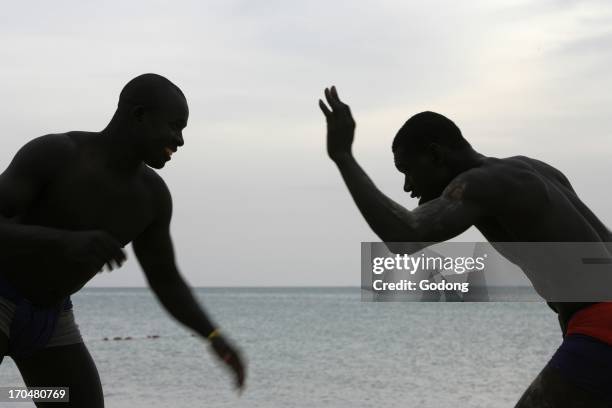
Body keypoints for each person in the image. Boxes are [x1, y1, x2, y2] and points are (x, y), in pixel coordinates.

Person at [319, 86, 612, 407]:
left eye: (408, 172)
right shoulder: (535, 170)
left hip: (601, 324)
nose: (407, 186)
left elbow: (404, 235)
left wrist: (343, 157)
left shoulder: (481, 184)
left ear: (435, 155)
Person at [0, 73, 246, 407]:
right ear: (139, 115)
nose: (181, 140)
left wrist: (213, 336)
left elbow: (166, 280)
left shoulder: (152, 198)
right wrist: (62, 241)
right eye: (175, 126)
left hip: (51, 316)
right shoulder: (56, 153)